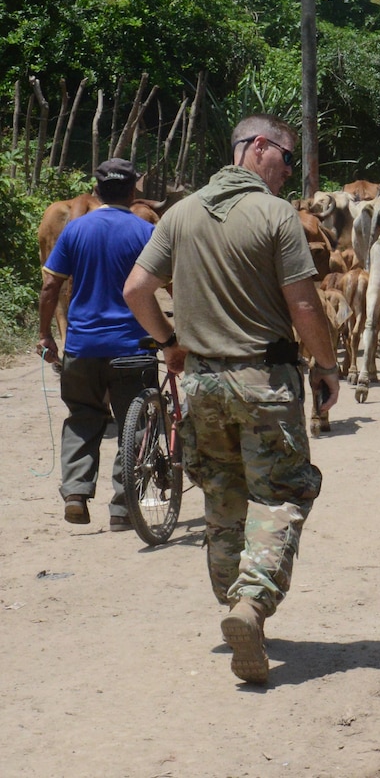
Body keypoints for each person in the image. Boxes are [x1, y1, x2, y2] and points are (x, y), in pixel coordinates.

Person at [123, 114, 339, 685]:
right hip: (262, 383)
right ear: (260, 148)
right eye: (287, 159)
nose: (289, 172)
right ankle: (252, 606)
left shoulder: (181, 213)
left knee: (221, 500)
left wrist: (168, 343)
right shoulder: (276, 216)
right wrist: (327, 364)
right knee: (280, 495)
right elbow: (306, 308)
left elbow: (136, 290)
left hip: (200, 386)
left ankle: (235, 608)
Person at [38, 158, 156, 529]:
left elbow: (50, 286)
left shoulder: (75, 231)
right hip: (133, 347)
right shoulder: (145, 232)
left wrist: (45, 335)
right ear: (134, 188)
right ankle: (122, 509)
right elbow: (169, 287)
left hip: (82, 346)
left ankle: (76, 492)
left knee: (82, 417)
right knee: (133, 426)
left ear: (97, 189)